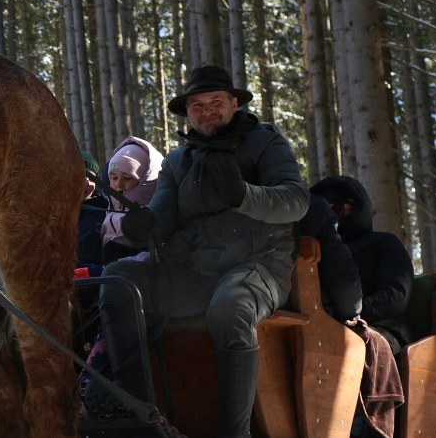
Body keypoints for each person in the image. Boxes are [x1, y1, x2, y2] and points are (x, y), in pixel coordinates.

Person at [98, 65, 308, 437]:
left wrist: (244, 195)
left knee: (231, 307)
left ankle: (235, 433)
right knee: (118, 280)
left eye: (216, 102)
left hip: (257, 265)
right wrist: (143, 225)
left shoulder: (265, 143)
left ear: (234, 104)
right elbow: (161, 218)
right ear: (188, 112)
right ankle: (143, 418)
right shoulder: (177, 162)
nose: (207, 111)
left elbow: (296, 201)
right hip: (193, 273)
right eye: (198, 105)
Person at [310, 175, 413, 354]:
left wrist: (347, 313)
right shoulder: (316, 251)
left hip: (381, 329)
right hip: (320, 324)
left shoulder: (384, 243)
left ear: (357, 207)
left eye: (338, 209)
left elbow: (395, 297)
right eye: (325, 212)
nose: (332, 217)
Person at [99, 137, 164, 264]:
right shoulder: (107, 211)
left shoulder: (164, 211)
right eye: (114, 178)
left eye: (127, 178)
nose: (118, 185)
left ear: (146, 179)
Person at [300, 194, 363, 322]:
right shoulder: (315, 208)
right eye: (337, 209)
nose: (337, 216)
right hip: (302, 314)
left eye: (341, 210)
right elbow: (349, 298)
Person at [78, 150, 108, 269]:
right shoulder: (52, 213)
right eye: (80, 175)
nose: (86, 182)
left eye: (91, 177)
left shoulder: (105, 210)